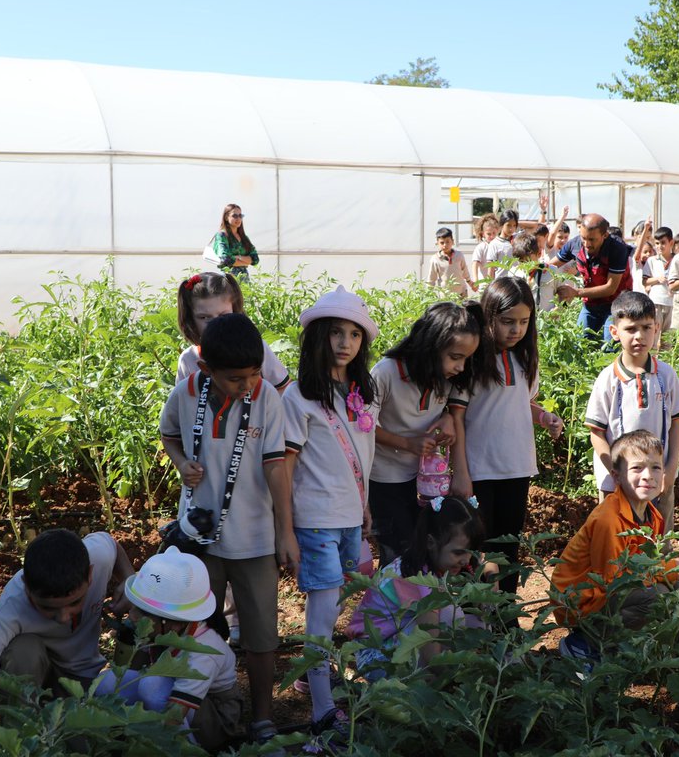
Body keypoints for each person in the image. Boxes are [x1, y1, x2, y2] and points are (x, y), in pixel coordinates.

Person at [159, 313, 297, 747]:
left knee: (260, 636)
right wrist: (181, 464)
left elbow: (277, 467)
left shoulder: (267, 400)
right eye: (236, 378)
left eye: (254, 374)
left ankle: (262, 717)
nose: (247, 384)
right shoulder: (186, 393)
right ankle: (207, 713)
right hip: (199, 539)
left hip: (253, 537)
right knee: (197, 628)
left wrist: (284, 531)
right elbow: (169, 435)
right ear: (206, 371)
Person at [282, 285, 381, 740]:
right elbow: (285, 467)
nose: (345, 343)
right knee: (322, 614)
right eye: (336, 333)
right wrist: (285, 530)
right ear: (317, 338)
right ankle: (323, 709)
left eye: (355, 335)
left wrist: (363, 510)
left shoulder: (363, 392)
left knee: (338, 600)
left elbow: (364, 453)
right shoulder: (298, 399)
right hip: (316, 519)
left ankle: (313, 678)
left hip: (349, 517)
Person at [455, 276, 564, 597]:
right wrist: (460, 470)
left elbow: (521, 401)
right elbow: (457, 416)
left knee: (509, 545)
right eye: (507, 322)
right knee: (476, 548)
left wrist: (543, 416)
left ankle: (507, 613)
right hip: (480, 469)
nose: (515, 330)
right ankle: (473, 617)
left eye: (523, 322)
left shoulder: (525, 357)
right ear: (489, 317)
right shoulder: (473, 359)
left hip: (517, 468)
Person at [94, 548, 241, 751]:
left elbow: (175, 712)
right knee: (107, 683)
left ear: (173, 623)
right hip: (173, 693)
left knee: (151, 685)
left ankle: (181, 748)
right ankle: (123, 736)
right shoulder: (163, 632)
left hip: (215, 718)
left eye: (143, 612)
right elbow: (133, 669)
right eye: (134, 607)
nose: (133, 615)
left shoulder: (204, 651)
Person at [552, 430, 679, 664]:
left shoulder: (653, 515)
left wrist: (672, 574)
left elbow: (650, 563)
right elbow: (612, 579)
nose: (648, 476)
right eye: (637, 468)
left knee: (675, 586)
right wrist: (667, 571)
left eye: (656, 467)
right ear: (616, 476)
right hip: (580, 602)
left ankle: (622, 643)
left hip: (608, 593)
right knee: (657, 598)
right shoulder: (608, 519)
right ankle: (584, 641)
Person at [370, 302, 480, 565]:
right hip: (385, 481)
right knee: (399, 558)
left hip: (428, 484)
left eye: (466, 358)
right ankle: (397, 606)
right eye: (455, 357)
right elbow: (363, 427)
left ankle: (427, 606)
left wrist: (447, 418)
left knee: (426, 553)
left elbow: (451, 414)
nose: (461, 367)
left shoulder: (447, 376)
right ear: (430, 345)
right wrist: (407, 444)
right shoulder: (386, 372)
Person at [0, 529, 134, 688]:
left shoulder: (98, 556)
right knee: (24, 650)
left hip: (84, 676)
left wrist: (130, 581)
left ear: (90, 574)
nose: (63, 617)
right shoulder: (13, 604)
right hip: (35, 677)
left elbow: (111, 545)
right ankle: (24, 711)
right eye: (47, 607)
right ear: (26, 587)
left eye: (74, 602)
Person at [345, 496, 486, 680]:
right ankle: (423, 687)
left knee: (472, 620)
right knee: (452, 614)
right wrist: (464, 675)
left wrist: (490, 577)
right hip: (377, 659)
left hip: (391, 643)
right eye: (458, 552)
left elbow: (488, 563)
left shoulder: (422, 562)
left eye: (471, 551)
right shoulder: (418, 581)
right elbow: (431, 654)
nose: (466, 559)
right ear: (431, 542)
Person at [584, 293, 679, 525]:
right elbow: (596, 433)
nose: (639, 336)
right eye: (630, 329)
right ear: (614, 332)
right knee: (615, 541)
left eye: (646, 327)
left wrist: (669, 471)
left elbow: (675, 424)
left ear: (657, 328)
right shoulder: (608, 379)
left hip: (657, 480)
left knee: (658, 542)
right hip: (616, 484)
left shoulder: (666, 375)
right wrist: (615, 473)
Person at [174, 271, 290, 391]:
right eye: (204, 317)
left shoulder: (257, 348)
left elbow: (283, 388)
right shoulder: (188, 360)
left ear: (235, 311)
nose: (215, 324)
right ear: (190, 320)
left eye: (223, 315)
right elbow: (180, 403)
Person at [551, 213, 632, 342]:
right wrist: (534, 268)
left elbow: (610, 288)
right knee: (580, 342)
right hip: (591, 304)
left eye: (592, 239)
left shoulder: (617, 249)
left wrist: (575, 292)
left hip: (616, 304)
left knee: (610, 344)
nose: (586, 244)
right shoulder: (575, 244)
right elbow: (551, 266)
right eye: (584, 238)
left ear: (605, 235)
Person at [203, 203, 260, 280]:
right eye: (235, 216)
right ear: (226, 217)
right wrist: (246, 262)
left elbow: (255, 259)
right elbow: (225, 259)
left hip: (244, 279)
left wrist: (238, 257)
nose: (238, 219)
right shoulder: (221, 235)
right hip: (229, 279)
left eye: (240, 216)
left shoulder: (244, 237)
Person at [508, 231, 560, 312]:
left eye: (529, 261)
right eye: (522, 262)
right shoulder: (513, 273)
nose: (526, 265)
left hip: (547, 321)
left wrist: (557, 310)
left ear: (538, 254)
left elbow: (564, 295)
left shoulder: (552, 271)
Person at [642, 226, 676, 337]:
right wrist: (657, 279)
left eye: (663, 243)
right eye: (657, 243)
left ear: (671, 243)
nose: (659, 246)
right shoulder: (652, 260)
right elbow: (645, 281)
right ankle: (652, 355)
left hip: (673, 302)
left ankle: (664, 355)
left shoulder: (677, 259)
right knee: (654, 335)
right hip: (656, 301)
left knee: (668, 338)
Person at [428, 227, 476, 297]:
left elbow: (465, 270)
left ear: (452, 241)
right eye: (442, 243)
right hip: (446, 295)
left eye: (447, 242)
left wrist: (470, 283)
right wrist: (428, 293)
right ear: (437, 243)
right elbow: (431, 278)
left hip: (461, 292)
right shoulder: (435, 259)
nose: (445, 245)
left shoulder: (459, 255)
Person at [482, 211, 519, 280]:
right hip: (502, 285)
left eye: (514, 225)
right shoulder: (494, 244)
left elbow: (535, 227)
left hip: (516, 283)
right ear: (501, 225)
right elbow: (491, 269)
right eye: (508, 225)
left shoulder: (518, 239)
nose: (511, 229)